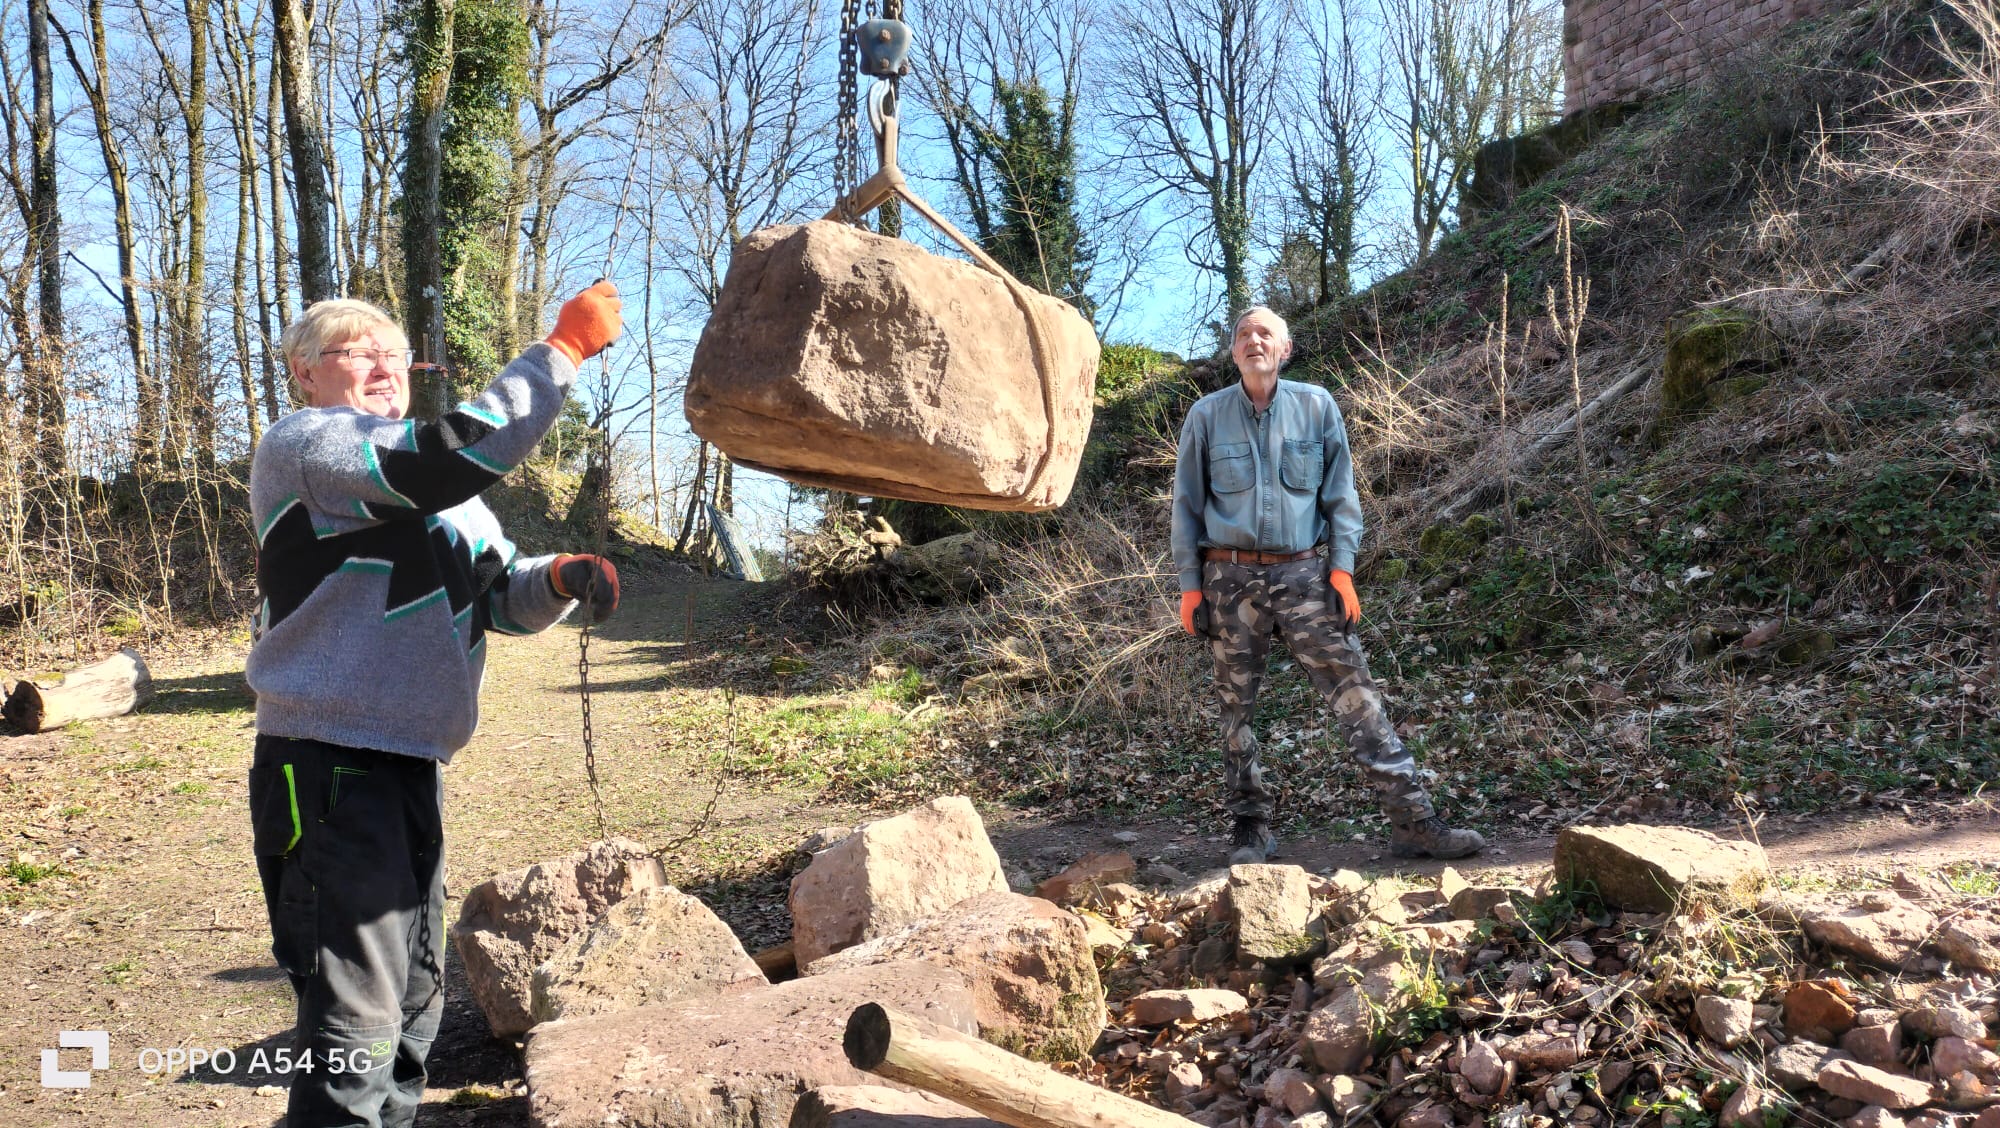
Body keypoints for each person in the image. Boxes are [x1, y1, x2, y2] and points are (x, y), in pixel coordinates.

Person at [244, 283, 623, 1126]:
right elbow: (440, 456)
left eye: (396, 354)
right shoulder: (308, 444)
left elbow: (499, 594)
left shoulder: (446, 496)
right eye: (359, 351)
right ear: (305, 372)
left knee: (415, 1005)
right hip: (328, 764)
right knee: (354, 1022)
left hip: (413, 765)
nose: (386, 367)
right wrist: (560, 351)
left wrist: (561, 578)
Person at [1171, 306, 1485, 866]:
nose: (1253, 341)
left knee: (1355, 693)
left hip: (1304, 574)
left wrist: (1342, 569)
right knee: (1235, 709)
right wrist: (1190, 585)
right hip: (1229, 578)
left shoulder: (1317, 406)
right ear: (1233, 350)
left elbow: (1341, 496)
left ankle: (1414, 821)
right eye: (1243, 334)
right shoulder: (1206, 415)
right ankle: (1250, 829)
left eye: (1265, 333)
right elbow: (1186, 506)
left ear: (1285, 349)